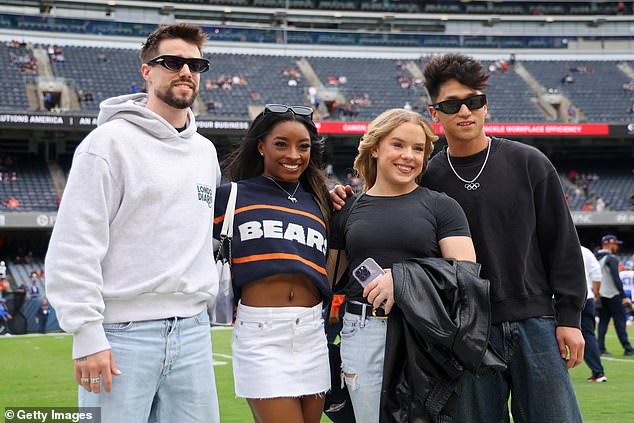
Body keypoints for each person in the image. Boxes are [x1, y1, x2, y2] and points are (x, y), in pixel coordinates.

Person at [331, 53, 586, 422]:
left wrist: (570, 317)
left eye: (474, 101)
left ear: (486, 106)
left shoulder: (528, 162)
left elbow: (561, 243)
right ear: (435, 114)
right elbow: (387, 212)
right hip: (463, 329)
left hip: (536, 321)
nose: (465, 111)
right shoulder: (424, 177)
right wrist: (344, 197)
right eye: (452, 104)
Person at [44, 23, 221, 422]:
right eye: (172, 62)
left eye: (196, 64)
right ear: (146, 71)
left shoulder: (205, 152)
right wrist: (87, 335)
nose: (186, 72)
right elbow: (75, 245)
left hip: (193, 331)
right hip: (123, 334)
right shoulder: (107, 144)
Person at [328, 108, 476, 423]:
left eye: (418, 149)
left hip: (426, 334)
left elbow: (467, 275)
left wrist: (403, 280)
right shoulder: (347, 209)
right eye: (398, 145)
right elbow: (328, 279)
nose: (408, 156)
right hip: (364, 331)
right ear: (375, 147)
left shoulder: (442, 206)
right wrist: (321, 208)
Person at [214, 104, 331, 423]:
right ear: (261, 146)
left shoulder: (320, 201)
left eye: (303, 146)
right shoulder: (230, 197)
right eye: (281, 144)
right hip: (261, 334)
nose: (293, 154)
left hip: (311, 332)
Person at [594, 234, 634, 356]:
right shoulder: (611, 258)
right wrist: (623, 296)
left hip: (602, 294)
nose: (616, 246)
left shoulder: (596, 257)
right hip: (614, 294)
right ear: (608, 243)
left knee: (603, 322)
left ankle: (600, 348)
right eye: (614, 243)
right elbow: (616, 279)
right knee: (620, 321)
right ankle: (628, 348)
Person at [580, 245, 607, 382]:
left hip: (557, 300)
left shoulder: (550, 247)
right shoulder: (585, 251)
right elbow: (597, 276)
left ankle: (554, 375)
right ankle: (598, 372)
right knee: (588, 335)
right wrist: (595, 294)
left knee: (551, 336)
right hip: (586, 297)